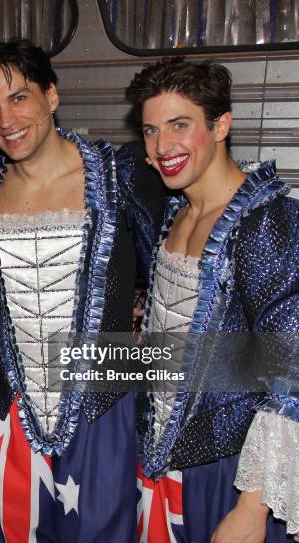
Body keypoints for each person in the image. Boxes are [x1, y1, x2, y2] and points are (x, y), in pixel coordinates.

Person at [0, 39, 165, 542]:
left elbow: (176, 270)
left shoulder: (121, 175)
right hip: (7, 411)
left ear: (52, 95)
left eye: (19, 98)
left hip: (101, 411)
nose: (6, 120)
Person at [126, 57, 298, 542]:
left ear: (221, 125)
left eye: (180, 126)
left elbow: (290, 371)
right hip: (161, 460)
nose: (163, 148)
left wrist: (252, 508)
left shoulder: (270, 221)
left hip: (231, 470)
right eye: (151, 130)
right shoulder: (174, 212)